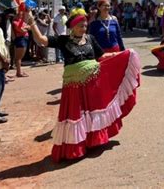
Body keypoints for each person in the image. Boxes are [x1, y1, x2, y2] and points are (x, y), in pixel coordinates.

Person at [26, 10, 141, 163]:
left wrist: (120, 55)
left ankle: (94, 141)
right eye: (80, 26)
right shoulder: (63, 40)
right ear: (73, 27)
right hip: (73, 86)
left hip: (93, 83)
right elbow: (41, 40)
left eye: (85, 25)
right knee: (76, 115)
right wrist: (32, 22)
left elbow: (101, 56)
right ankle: (76, 147)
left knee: (93, 112)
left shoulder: (90, 39)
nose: (84, 28)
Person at [12, 8, 30, 77]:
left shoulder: (21, 21)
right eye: (19, 14)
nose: (21, 15)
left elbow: (29, 27)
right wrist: (26, 28)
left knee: (20, 57)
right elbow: (22, 30)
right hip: (20, 39)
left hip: (24, 38)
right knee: (18, 57)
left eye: (21, 14)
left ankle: (19, 71)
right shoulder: (15, 22)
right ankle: (18, 72)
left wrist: (25, 28)